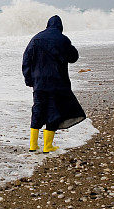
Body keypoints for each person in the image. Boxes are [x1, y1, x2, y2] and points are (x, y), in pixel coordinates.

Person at [22, 15, 86, 153]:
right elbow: (73, 57)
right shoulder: (62, 39)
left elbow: (26, 59)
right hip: (57, 82)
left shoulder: (35, 39)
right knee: (54, 111)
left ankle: (33, 145)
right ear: (60, 27)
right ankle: (47, 146)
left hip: (38, 82)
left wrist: (29, 79)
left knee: (38, 109)